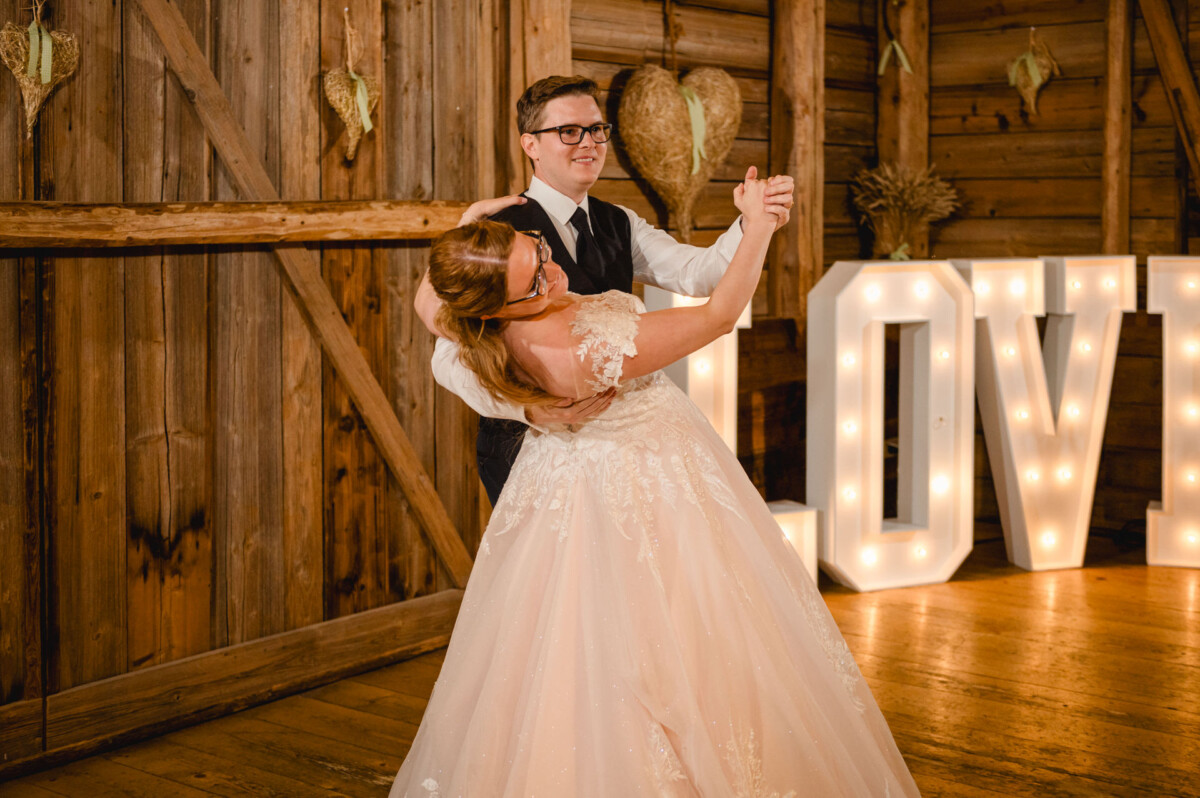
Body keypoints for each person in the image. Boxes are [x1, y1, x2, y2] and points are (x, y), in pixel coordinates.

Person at [390, 174, 920, 796]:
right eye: (533, 284)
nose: (554, 276)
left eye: (540, 254)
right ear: (497, 310)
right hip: (646, 479)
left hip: (563, 484)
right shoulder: (579, 349)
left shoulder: (472, 327)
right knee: (674, 629)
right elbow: (721, 315)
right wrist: (759, 228)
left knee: (569, 634)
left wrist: (468, 224)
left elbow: (428, 306)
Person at [419, 74, 795, 506]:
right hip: (529, 452)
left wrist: (750, 224)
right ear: (530, 146)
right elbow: (449, 354)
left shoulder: (619, 221)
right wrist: (525, 409)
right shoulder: (496, 235)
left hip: (613, 456)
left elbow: (697, 273)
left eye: (597, 130)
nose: (589, 143)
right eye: (568, 131)